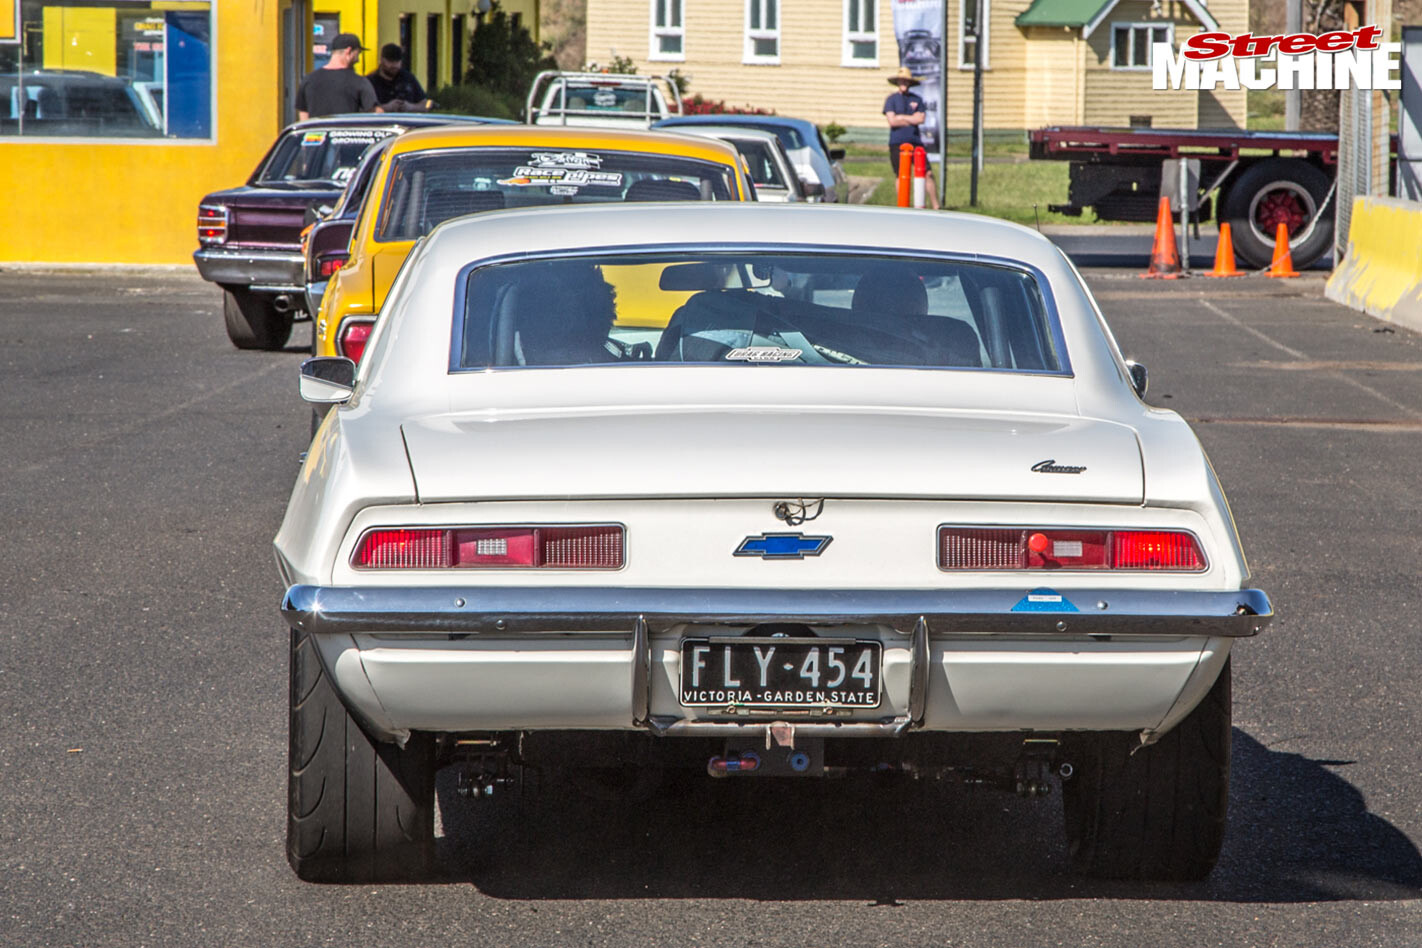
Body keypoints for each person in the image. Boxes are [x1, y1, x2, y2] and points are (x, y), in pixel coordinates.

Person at [882, 66, 940, 210]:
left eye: (906, 81)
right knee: (901, 175)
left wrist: (901, 117)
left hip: (915, 141)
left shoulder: (917, 99)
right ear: (897, 82)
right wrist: (909, 118)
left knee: (927, 173)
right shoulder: (891, 99)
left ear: (910, 83)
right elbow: (892, 121)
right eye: (901, 80)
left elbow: (920, 118)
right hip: (897, 142)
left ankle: (936, 206)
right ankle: (902, 205)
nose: (903, 83)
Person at [295, 33, 381, 121]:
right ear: (349, 51)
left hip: (316, 133)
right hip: (347, 133)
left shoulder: (309, 80)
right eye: (358, 53)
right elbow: (375, 114)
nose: (358, 60)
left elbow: (303, 115)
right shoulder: (359, 82)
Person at [366, 44, 431, 112]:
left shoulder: (408, 78)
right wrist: (386, 108)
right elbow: (363, 110)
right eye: (390, 61)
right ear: (382, 60)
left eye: (397, 61)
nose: (394, 65)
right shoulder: (370, 81)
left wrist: (411, 107)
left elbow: (427, 105)